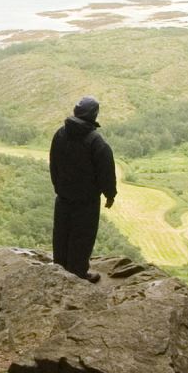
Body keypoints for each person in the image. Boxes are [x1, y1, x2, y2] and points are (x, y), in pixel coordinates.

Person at [48, 95, 116, 281]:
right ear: (94, 115)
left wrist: (59, 188)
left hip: (62, 198)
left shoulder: (60, 134)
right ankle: (77, 275)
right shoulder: (96, 142)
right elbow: (106, 172)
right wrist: (110, 194)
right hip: (86, 202)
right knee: (82, 238)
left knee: (61, 235)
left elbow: (54, 165)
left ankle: (59, 273)